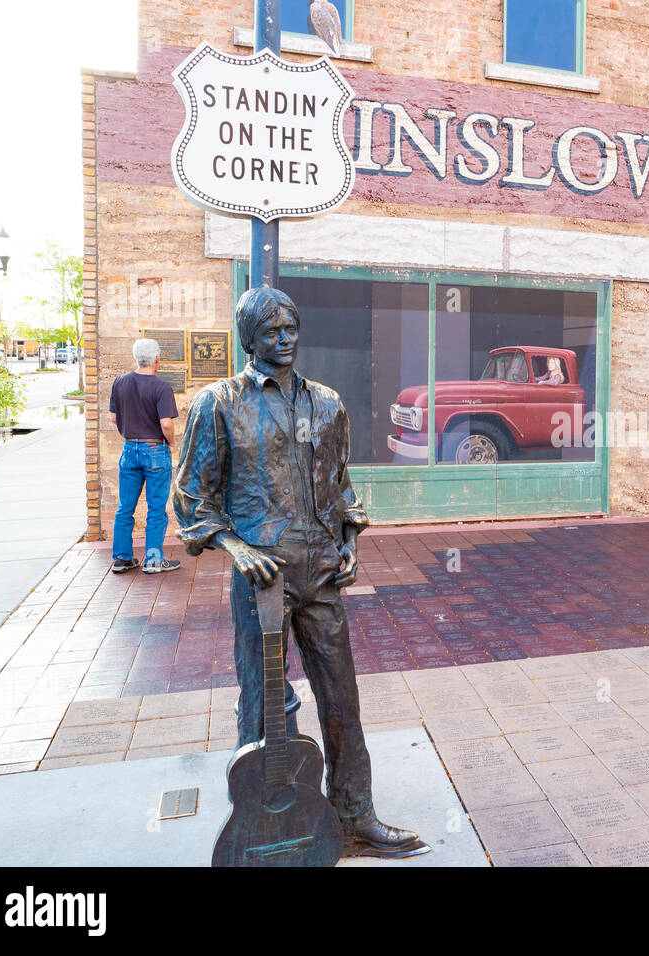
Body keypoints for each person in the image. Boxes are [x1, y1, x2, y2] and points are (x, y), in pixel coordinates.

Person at [173, 287, 425, 857]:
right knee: (263, 701)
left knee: (342, 698)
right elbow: (193, 497)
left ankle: (354, 813)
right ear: (248, 339)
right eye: (270, 331)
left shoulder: (327, 403)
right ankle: (259, 820)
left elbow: (341, 484)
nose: (283, 339)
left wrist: (351, 539)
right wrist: (236, 549)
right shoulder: (219, 404)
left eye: (290, 328)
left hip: (320, 571)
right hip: (262, 575)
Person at [109, 338, 181, 574]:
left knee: (125, 507)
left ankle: (122, 559)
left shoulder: (120, 382)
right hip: (155, 450)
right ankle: (152, 560)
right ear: (157, 359)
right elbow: (166, 423)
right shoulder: (161, 388)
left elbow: (113, 418)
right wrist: (171, 443)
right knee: (156, 508)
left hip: (129, 449)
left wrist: (129, 435)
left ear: (136, 358)